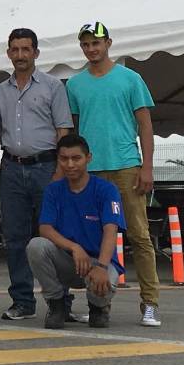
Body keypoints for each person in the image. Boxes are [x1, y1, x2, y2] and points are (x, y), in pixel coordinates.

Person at [66, 21, 160, 328]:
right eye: (86, 44)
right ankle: (97, 303)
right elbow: (74, 131)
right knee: (89, 237)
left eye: (96, 42)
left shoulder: (130, 79)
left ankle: (150, 303)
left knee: (138, 235)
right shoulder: (75, 85)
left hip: (126, 166)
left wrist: (146, 166)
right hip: (89, 171)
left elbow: (145, 124)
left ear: (108, 43)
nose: (91, 48)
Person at [0, 28, 74, 321]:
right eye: (15, 50)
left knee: (53, 235)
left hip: (46, 167)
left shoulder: (53, 86)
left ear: (36, 53)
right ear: (8, 53)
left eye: (26, 49)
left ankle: (61, 300)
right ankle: (23, 302)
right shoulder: (1, 90)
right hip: (12, 168)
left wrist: (59, 171)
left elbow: (63, 130)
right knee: (14, 238)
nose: (20, 55)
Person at [26, 134, 124, 329]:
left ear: (88, 158)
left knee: (107, 283)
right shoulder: (53, 190)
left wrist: (102, 267)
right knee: (35, 246)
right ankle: (56, 305)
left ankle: (98, 307)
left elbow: (111, 230)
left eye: (76, 158)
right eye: (64, 159)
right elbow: (45, 228)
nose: (70, 164)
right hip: (68, 260)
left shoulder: (106, 189)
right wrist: (74, 247)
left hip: (98, 262)